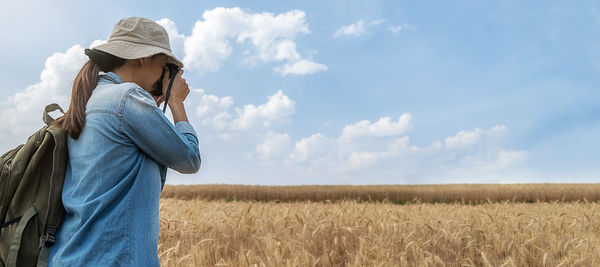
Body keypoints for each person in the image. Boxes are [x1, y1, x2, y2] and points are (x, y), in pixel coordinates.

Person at [49, 17, 201, 266]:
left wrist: (153, 103)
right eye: (165, 64)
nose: (166, 73)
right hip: (112, 259)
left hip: (73, 256)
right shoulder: (127, 98)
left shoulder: (93, 98)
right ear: (143, 57)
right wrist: (176, 104)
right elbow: (189, 159)